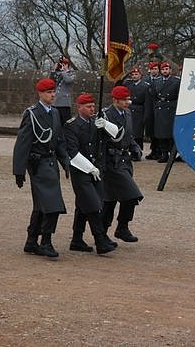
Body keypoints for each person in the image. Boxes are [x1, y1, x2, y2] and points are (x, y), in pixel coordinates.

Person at [12, 78, 69, 259]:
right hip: (38, 164)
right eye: (48, 92)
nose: (52, 95)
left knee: (41, 205)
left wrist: (65, 162)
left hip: (51, 163)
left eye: (54, 92)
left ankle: (31, 240)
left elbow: (58, 140)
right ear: (40, 94)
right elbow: (23, 143)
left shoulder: (55, 113)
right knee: (53, 205)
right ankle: (46, 241)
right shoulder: (32, 114)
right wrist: (19, 170)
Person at [62, 93, 116, 255]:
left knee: (83, 205)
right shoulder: (71, 126)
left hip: (96, 169)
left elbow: (116, 136)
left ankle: (77, 239)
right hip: (81, 170)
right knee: (92, 205)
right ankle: (100, 240)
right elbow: (72, 151)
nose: (92, 109)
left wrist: (106, 125)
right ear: (79, 108)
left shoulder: (96, 122)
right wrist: (90, 167)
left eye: (93, 106)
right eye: (88, 106)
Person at [100, 85, 144, 243]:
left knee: (111, 199)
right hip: (111, 163)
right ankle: (114, 230)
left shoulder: (127, 113)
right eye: (123, 100)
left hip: (124, 161)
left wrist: (134, 147)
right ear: (114, 100)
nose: (127, 103)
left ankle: (117, 229)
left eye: (128, 99)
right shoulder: (105, 115)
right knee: (130, 195)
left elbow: (128, 134)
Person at [146, 61, 180, 163]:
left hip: (171, 109)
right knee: (160, 134)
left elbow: (179, 96)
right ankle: (164, 154)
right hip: (160, 108)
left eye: (166, 69)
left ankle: (172, 154)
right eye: (163, 69)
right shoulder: (157, 81)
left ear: (170, 70)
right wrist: (157, 105)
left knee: (170, 134)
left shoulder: (176, 81)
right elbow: (153, 95)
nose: (165, 71)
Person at [122, 66, 149, 159]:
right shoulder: (127, 85)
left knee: (138, 133)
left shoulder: (145, 86)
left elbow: (147, 102)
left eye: (136, 74)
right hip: (129, 109)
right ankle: (131, 151)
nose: (134, 76)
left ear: (140, 75)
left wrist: (146, 115)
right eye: (133, 75)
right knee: (129, 132)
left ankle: (138, 151)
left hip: (139, 111)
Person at [48, 57, 74, 125]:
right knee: (55, 122)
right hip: (56, 102)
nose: (62, 66)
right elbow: (50, 82)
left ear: (68, 65)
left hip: (64, 103)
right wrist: (54, 70)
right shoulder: (58, 74)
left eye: (64, 64)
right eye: (61, 64)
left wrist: (64, 71)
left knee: (66, 123)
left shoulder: (70, 73)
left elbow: (68, 80)